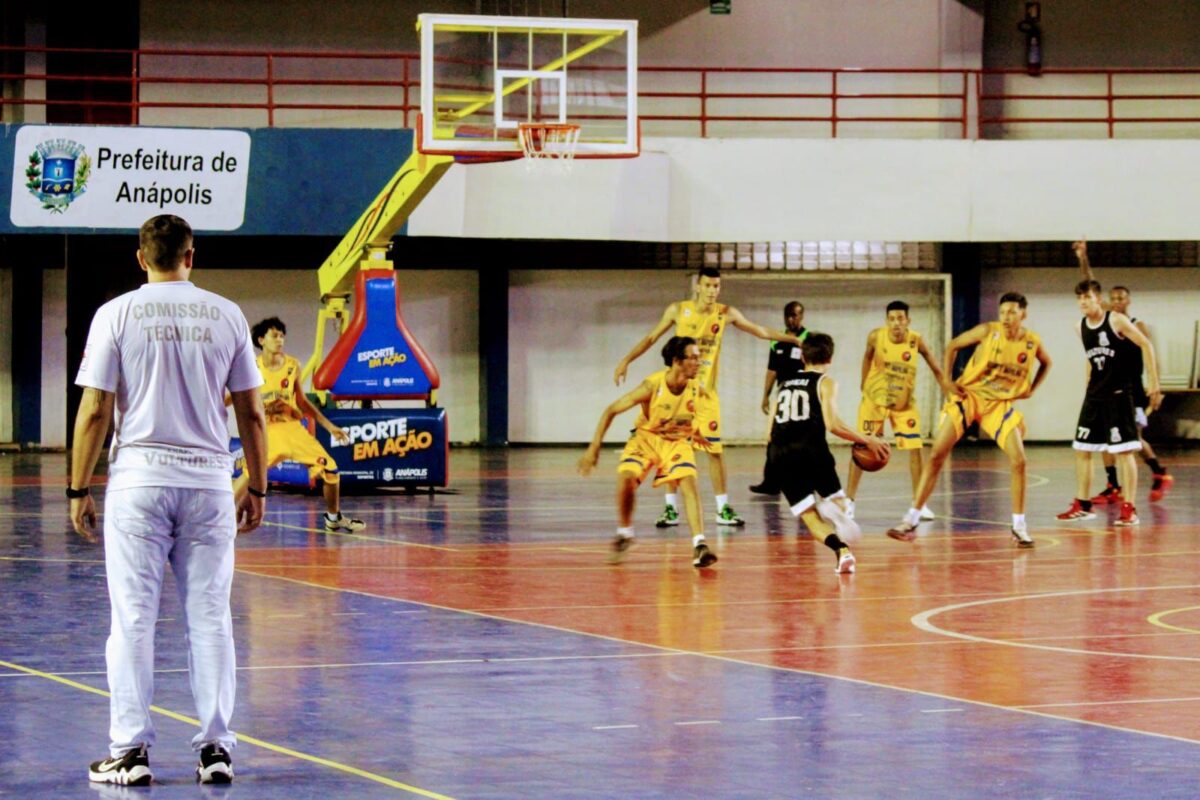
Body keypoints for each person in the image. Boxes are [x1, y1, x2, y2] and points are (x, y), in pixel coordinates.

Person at [69, 214, 268, 786]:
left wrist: (78, 487)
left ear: (140, 258)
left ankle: (129, 752)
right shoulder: (227, 314)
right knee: (210, 618)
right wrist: (255, 485)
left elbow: (95, 412)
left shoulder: (116, 314)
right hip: (208, 485)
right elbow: (252, 411)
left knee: (131, 619)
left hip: (139, 484)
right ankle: (215, 750)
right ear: (191, 255)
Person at [614, 267, 803, 528]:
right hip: (677, 392)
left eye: (717, 286)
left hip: (705, 395)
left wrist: (792, 340)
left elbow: (758, 330)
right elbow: (651, 338)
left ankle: (722, 509)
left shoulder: (725, 313)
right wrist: (626, 360)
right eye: (709, 286)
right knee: (673, 447)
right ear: (698, 287)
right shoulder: (678, 310)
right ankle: (670, 510)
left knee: (715, 452)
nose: (713, 291)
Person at [886, 292, 1051, 547]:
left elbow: (1046, 363)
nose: (1006, 317)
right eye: (1003, 311)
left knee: (1019, 461)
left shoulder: (1031, 342)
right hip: (969, 397)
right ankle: (911, 519)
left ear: (1023, 314)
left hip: (997, 404)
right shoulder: (988, 331)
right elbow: (952, 346)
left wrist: (1032, 389)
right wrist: (948, 381)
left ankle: (1019, 525)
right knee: (937, 454)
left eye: (1012, 312)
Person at [582, 336, 718, 568]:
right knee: (625, 478)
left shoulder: (696, 388)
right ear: (677, 361)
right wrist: (594, 448)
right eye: (693, 358)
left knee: (689, 483)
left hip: (676, 442)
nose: (699, 362)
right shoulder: (652, 386)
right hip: (645, 439)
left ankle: (700, 545)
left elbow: (683, 416)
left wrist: (696, 433)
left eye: (699, 357)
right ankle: (625, 534)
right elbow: (611, 410)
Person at [766, 332, 889, 574]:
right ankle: (834, 507)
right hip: (810, 449)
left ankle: (841, 551)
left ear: (802, 357)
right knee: (841, 503)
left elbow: (768, 434)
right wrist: (868, 440)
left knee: (810, 518)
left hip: (779, 454)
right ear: (830, 359)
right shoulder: (826, 382)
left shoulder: (783, 385)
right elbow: (833, 425)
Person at [233, 317, 365, 533]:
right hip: (267, 431)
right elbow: (232, 396)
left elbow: (302, 402)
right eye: (274, 335)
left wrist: (329, 426)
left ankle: (333, 518)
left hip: (293, 429)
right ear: (261, 340)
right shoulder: (251, 366)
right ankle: (216, 518)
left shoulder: (293, 365)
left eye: (282, 336)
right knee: (249, 474)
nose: (280, 340)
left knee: (330, 469)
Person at [1055, 278, 1163, 526]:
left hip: (1118, 395)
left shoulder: (1115, 320)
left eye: (1088, 297)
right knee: (1082, 449)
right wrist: (1087, 387)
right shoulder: (1079, 326)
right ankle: (1083, 505)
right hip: (1095, 396)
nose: (1083, 302)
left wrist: (1154, 383)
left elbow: (1146, 345)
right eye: (1080, 298)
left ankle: (1130, 508)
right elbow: (1090, 359)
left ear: (1098, 299)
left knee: (1124, 452)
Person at [1072, 241, 1173, 503]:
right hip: (1105, 388)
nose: (1115, 301)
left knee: (1131, 439)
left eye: (1120, 298)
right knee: (1108, 440)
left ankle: (1159, 472)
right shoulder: (1105, 320)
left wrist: (1155, 385)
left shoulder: (1134, 323)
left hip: (1131, 387)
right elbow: (1089, 284)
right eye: (1112, 298)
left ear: (1128, 300)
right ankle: (1113, 484)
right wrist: (1083, 257)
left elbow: (1149, 351)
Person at [844, 300, 947, 521]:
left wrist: (948, 389)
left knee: (915, 448)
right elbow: (867, 355)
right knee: (861, 449)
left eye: (900, 318)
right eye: (892, 319)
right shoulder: (875, 336)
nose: (896, 323)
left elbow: (935, 366)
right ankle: (849, 502)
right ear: (886, 321)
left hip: (904, 404)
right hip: (875, 402)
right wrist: (864, 382)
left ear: (908, 320)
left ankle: (919, 504)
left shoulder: (916, 340)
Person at [749, 300, 808, 495]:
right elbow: (772, 370)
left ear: (802, 316)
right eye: (788, 315)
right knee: (773, 439)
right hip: (782, 396)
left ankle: (804, 483)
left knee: (802, 441)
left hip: (802, 397)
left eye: (795, 315)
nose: (791, 319)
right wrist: (765, 396)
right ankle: (771, 483)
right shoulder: (777, 340)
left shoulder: (809, 339)